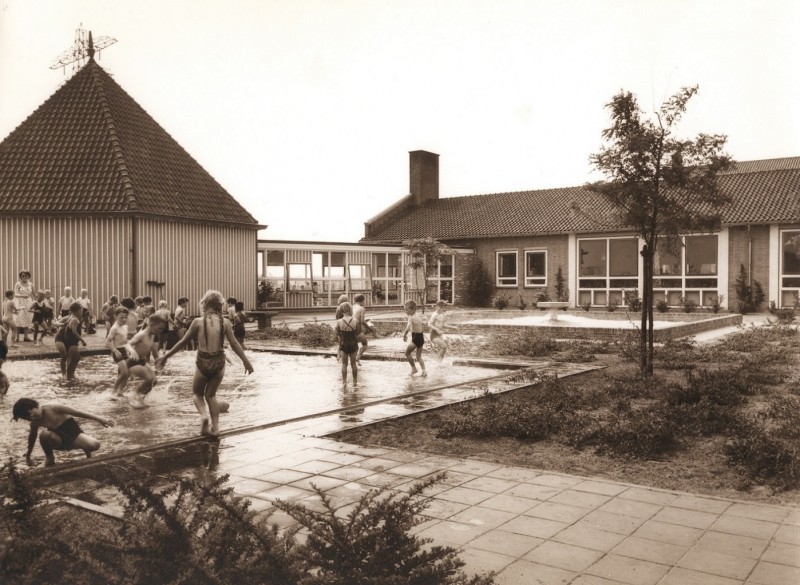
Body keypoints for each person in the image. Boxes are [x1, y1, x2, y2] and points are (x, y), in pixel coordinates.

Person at [157, 290, 253, 438]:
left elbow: (183, 342)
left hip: (203, 362)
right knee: (211, 395)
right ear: (220, 305)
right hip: (219, 363)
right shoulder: (225, 322)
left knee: (197, 393)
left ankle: (204, 417)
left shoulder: (197, 322)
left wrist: (165, 357)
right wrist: (247, 362)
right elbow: (234, 344)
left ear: (204, 304)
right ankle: (215, 428)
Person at [12, 398, 114, 466]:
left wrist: (100, 419)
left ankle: (86, 449)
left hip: (73, 434)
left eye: (32, 413)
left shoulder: (53, 407)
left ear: (34, 405)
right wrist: (28, 455)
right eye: (29, 418)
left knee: (95, 445)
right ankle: (49, 457)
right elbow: (32, 438)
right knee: (44, 434)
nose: (33, 417)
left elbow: (78, 412)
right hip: (58, 440)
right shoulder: (34, 422)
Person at [123, 314, 168, 408]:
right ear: (151, 325)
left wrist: (158, 359)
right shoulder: (141, 334)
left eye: (162, 329)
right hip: (133, 362)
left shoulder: (152, 335)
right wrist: (131, 351)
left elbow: (152, 349)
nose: (160, 331)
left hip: (142, 361)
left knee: (154, 381)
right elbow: (127, 344)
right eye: (159, 328)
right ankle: (134, 396)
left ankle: (141, 398)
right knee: (149, 379)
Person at [54, 301, 86, 379]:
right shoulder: (68, 318)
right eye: (81, 309)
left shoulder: (77, 318)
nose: (82, 311)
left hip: (68, 339)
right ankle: (64, 374)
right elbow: (55, 323)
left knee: (71, 357)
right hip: (60, 338)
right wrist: (62, 324)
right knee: (64, 356)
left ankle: (70, 374)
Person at [105, 307, 132, 397]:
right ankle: (113, 392)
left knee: (125, 373)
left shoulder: (125, 326)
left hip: (124, 350)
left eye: (125, 317)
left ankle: (120, 392)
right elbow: (107, 342)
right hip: (117, 351)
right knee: (125, 372)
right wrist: (115, 350)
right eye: (121, 317)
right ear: (115, 316)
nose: (124, 319)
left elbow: (125, 340)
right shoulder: (114, 328)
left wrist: (129, 350)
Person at [335, 302, 360, 387]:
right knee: (353, 364)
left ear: (341, 311)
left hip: (344, 344)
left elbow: (338, 334)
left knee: (344, 364)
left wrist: (339, 347)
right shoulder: (355, 321)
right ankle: (355, 381)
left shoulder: (339, 322)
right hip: (353, 343)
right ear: (350, 309)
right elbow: (357, 334)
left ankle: (344, 382)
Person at [402, 300, 427, 376]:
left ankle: (414, 369)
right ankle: (424, 371)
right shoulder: (418, 315)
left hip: (415, 339)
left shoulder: (411, 318)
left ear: (412, 309)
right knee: (418, 356)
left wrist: (404, 335)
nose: (405, 311)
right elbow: (423, 324)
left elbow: (407, 328)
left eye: (407, 310)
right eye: (405, 310)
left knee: (407, 353)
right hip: (421, 338)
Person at [14, 270, 34, 342]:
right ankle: (17, 337)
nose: (24, 277)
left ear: (28, 276)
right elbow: (15, 294)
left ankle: (26, 337)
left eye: (26, 276)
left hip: (28, 303)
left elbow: (33, 294)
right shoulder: (18, 284)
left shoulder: (31, 284)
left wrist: (35, 302)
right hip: (19, 303)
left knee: (27, 319)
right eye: (22, 276)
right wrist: (22, 296)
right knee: (18, 319)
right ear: (20, 277)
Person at [351, 294, 371, 365]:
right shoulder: (362, 309)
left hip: (350, 328)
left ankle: (354, 360)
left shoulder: (351, 307)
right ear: (362, 301)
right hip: (357, 328)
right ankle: (358, 357)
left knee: (354, 344)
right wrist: (369, 328)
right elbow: (362, 321)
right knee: (364, 344)